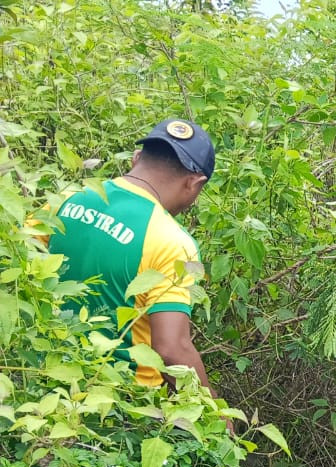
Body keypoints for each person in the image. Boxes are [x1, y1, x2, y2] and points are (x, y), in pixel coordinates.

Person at [41, 118, 217, 393]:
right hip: (123, 403)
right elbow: (171, 349)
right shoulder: (172, 241)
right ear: (195, 183)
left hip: (44, 373)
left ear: (136, 158)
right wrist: (214, 413)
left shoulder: (68, 197)